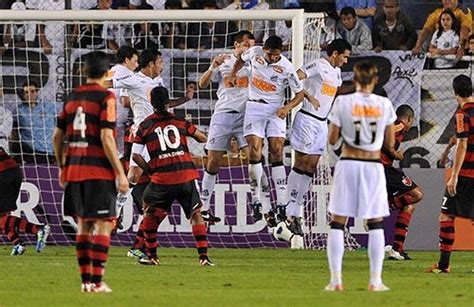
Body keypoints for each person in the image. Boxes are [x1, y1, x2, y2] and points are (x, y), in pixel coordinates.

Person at [52, 51, 129, 293]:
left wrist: (62, 165)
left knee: (84, 225)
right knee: (104, 225)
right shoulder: (106, 97)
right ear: (107, 73)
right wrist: (120, 172)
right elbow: (107, 137)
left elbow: (57, 136)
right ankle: (96, 282)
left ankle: (86, 282)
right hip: (98, 172)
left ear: (84, 72)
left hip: (74, 170)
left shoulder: (71, 97)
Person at [325, 61, 396, 292]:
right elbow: (390, 142)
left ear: (354, 80)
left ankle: (336, 280)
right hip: (372, 165)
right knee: (375, 222)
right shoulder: (384, 104)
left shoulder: (343, 102)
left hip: (348, 163)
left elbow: (332, 139)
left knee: (338, 221)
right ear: (376, 80)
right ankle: (375, 281)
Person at [131, 86, 213, 266]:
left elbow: (136, 156)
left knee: (149, 210)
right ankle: (204, 257)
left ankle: (151, 255)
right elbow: (201, 138)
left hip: (162, 179)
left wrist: (150, 170)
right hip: (186, 175)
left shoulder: (145, 125)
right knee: (195, 214)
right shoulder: (180, 121)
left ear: (151, 103)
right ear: (168, 102)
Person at [229, 35, 305, 222]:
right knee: (254, 150)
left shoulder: (286, 67)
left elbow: (300, 94)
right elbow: (240, 59)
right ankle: (255, 199)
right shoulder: (255, 53)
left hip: (276, 110)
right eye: (270, 54)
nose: (272, 58)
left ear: (281, 53)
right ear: (265, 50)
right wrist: (233, 73)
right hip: (254, 106)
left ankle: (281, 203)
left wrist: (287, 108)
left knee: (277, 151)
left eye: (275, 55)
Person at [285, 39, 352, 234]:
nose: (346, 61)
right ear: (335, 54)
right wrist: (307, 95)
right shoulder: (318, 65)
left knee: (311, 166)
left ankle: (297, 210)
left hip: (322, 123)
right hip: (307, 118)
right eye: (345, 56)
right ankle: (289, 210)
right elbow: (294, 77)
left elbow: (332, 94)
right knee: (301, 162)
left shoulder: (336, 72)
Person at [198, 30, 258, 223]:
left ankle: (257, 202)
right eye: (247, 45)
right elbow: (202, 84)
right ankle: (204, 208)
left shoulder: (256, 62)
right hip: (223, 115)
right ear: (237, 45)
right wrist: (212, 68)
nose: (250, 49)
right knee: (213, 162)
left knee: (254, 157)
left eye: (252, 46)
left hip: (246, 116)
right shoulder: (223, 60)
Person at [428, 75, 474, 274]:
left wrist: (454, 175)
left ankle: (443, 265)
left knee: (446, 215)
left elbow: (462, 144)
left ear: (455, 92)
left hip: (465, 174)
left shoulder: (462, 115)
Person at [380, 105, 423, 261]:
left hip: (382, 168)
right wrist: (395, 153)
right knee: (417, 194)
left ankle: (397, 249)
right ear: (409, 119)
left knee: (409, 205)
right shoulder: (398, 124)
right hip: (382, 168)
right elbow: (384, 138)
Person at [0, 147, 51, 255]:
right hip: (14, 171)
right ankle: (18, 243)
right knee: (2, 217)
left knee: (2, 219)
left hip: (2, 173)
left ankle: (38, 229)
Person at [16, 81, 58, 164]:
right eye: (26, 92)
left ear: (37, 92)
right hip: (29, 150)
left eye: (32, 91)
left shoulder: (49, 107)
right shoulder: (19, 110)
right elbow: (15, 130)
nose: (29, 94)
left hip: (47, 150)